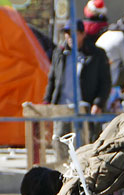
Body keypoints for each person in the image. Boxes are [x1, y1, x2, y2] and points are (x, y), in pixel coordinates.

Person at [42, 20, 111, 158]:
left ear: (82, 34)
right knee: (60, 142)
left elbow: (105, 82)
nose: (69, 37)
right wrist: (47, 101)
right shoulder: (59, 53)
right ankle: (63, 173)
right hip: (62, 106)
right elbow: (52, 79)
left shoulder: (96, 54)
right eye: (67, 34)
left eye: (74, 34)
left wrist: (98, 103)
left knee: (85, 145)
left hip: (84, 108)